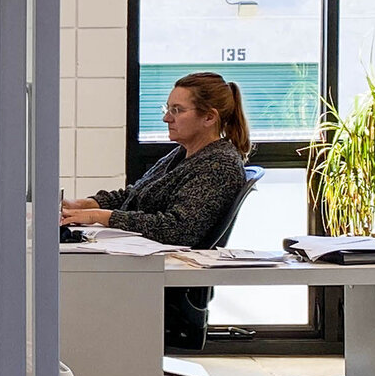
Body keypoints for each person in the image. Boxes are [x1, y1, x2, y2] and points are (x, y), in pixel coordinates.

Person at [61, 71, 252, 250]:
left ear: (209, 117)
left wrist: (101, 216)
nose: (166, 118)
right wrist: (84, 205)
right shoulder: (183, 153)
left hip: (166, 271)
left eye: (177, 110)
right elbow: (136, 195)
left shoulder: (219, 165)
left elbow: (179, 229)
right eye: (168, 109)